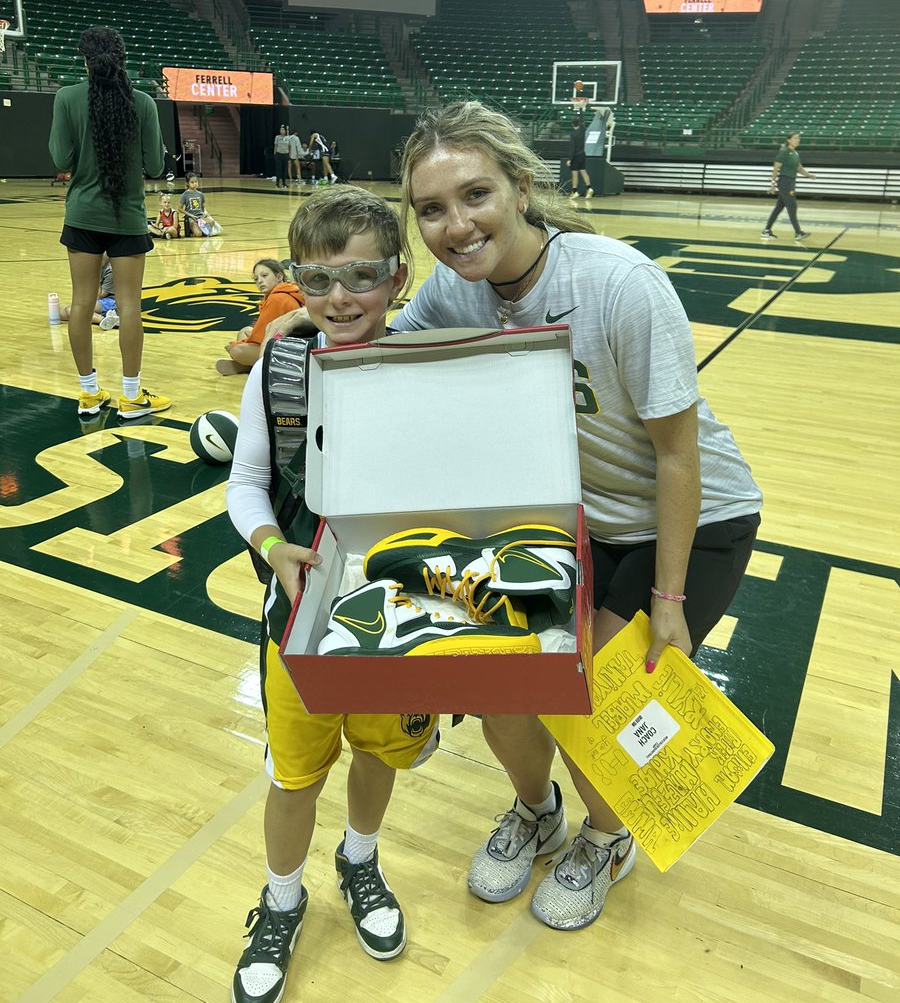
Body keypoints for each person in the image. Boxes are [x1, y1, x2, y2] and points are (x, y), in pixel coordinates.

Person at [388, 99, 762, 932]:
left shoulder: (617, 284)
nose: (456, 225)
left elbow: (679, 455)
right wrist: (304, 319)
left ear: (522, 187)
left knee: (584, 684)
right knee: (498, 678)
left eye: (475, 195)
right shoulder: (456, 290)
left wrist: (668, 602)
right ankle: (538, 812)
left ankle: (607, 835)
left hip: (691, 521)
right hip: (577, 519)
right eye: (432, 210)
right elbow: (381, 349)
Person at [225, 187, 438, 1003]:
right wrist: (273, 546)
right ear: (294, 284)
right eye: (316, 282)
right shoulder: (279, 365)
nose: (340, 299)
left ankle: (360, 858)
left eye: (361, 277)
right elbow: (245, 485)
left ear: (398, 276)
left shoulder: (434, 364)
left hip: (401, 614)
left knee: (379, 751)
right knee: (294, 776)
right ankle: (282, 898)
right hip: (300, 617)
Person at [49, 25, 171, 420]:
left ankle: (88, 395)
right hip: (128, 219)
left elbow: (60, 159)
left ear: (86, 60)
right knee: (129, 305)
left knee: (82, 303)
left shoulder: (67, 98)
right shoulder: (144, 103)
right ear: (122, 60)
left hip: (82, 215)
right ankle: (132, 397)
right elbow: (155, 165)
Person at [215, 258, 303, 376]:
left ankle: (248, 366)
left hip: (286, 353)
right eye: (256, 279)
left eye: (264, 275)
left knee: (237, 350)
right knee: (245, 331)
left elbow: (263, 337)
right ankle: (248, 365)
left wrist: (238, 345)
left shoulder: (277, 298)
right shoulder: (287, 290)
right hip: (290, 345)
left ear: (279, 276)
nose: (260, 281)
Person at [761, 132, 815, 241]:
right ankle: (798, 233)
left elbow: (799, 168)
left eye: (798, 138)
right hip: (785, 183)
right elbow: (775, 168)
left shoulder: (795, 153)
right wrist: (772, 185)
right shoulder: (784, 152)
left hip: (790, 182)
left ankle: (767, 230)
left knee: (779, 207)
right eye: (795, 138)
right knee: (792, 206)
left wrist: (809, 175)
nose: (798, 140)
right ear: (788, 140)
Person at [59, 252, 118, 328]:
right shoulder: (95, 266)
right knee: (60, 311)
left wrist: (95, 273)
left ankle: (104, 320)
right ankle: (105, 317)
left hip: (111, 301)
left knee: (72, 311)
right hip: (98, 300)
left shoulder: (110, 270)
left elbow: (100, 295)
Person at [568, 115, 594, 199]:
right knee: (583, 171)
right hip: (582, 154)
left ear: (572, 124)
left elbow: (572, 147)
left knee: (574, 174)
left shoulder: (572, 134)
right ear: (579, 123)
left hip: (575, 156)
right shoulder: (582, 131)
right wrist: (581, 109)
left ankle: (575, 191)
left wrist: (570, 159)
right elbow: (582, 122)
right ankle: (589, 188)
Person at [273, 124, 291, 189]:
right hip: (279, 154)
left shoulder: (288, 138)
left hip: (285, 155)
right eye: (280, 130)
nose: (281, 131)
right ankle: (277, 183)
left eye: (283, 130)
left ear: (285, 131)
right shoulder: (277, 137)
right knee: (278, 169)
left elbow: (289, 147)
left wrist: (289, 155)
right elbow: (275, 146)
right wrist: (275, 154)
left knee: (285, 169)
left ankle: (284, 183)